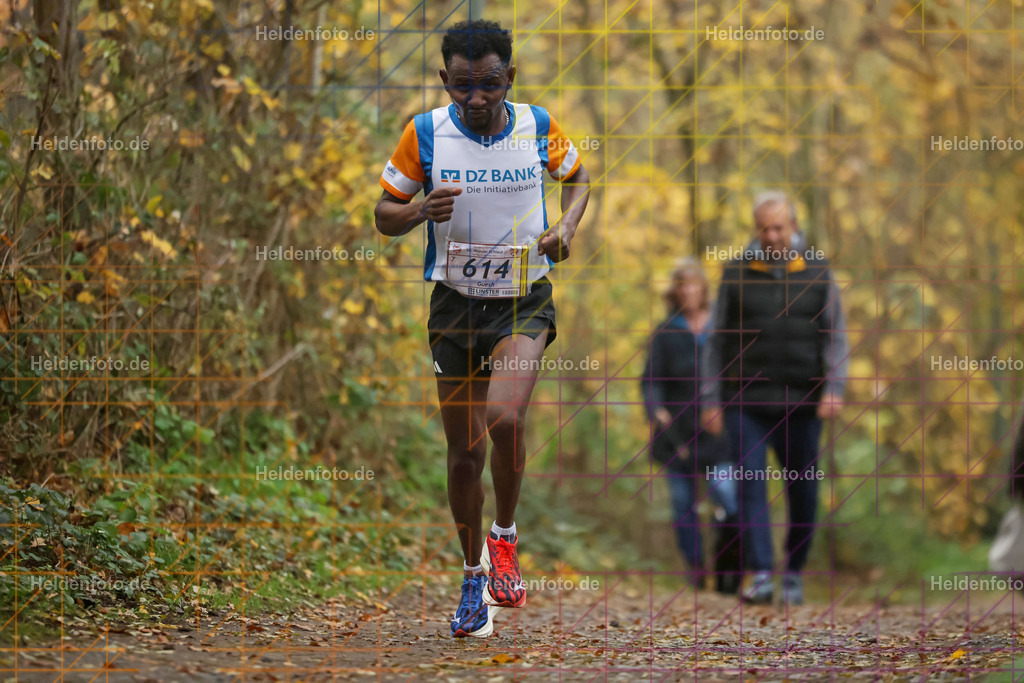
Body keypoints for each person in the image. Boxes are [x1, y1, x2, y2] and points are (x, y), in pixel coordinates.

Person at [374, 19, 590, 638]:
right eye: (463, 87)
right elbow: (383, 214)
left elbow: (578, 179)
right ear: (445, 81)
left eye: (489, 85)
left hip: (523, 298)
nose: (476, 99)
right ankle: (473, 577)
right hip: (455, 306)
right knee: (464, 454)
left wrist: (567, 229)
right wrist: (418, 211)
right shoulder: (425, 134)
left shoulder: (538, 127)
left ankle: (504, 538)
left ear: (509, 80)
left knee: (506, 417)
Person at [701, 191, 849, 605]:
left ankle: (794, 573)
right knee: (750, 486)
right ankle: (763, 573)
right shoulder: (736, 272)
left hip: (804, 401)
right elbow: (715, 340)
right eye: (764, 227)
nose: (772, 235)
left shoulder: (819, 272)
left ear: (794, 228)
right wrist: (711, 398)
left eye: (779, 227)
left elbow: (837, 335)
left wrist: (835, 388)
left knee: (803, 491)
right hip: (745, 401)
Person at [641, 258, 739, 593]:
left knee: (727, 496)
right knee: (683, 505)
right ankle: (696, 567)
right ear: (675, 291)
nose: (688, 290)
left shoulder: (722, 328)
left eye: (694, 283)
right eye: (682, 284)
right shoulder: (666, 332)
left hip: (719, 431)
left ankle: (728, 568)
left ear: (704, 289)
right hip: (676, 433)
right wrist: (657, 410)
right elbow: (650, 380)